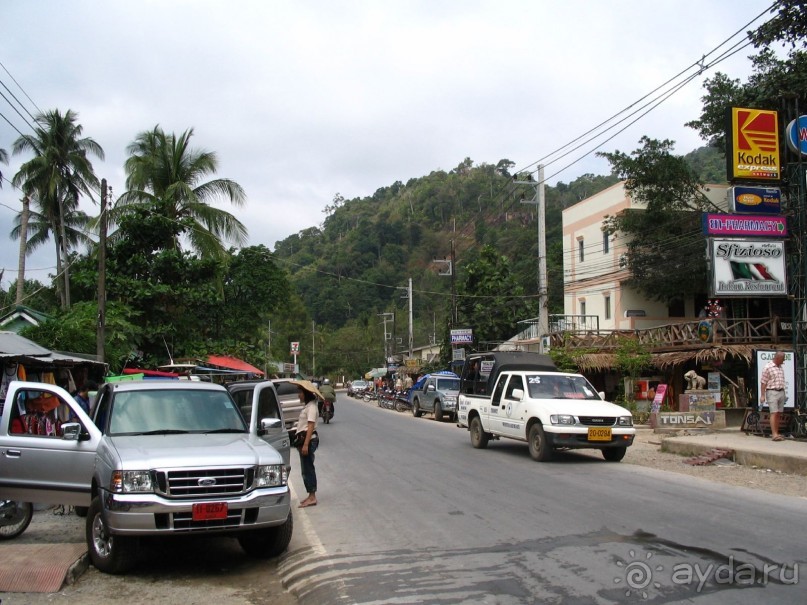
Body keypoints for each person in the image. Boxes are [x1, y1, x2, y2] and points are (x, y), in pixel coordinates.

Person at [291, 380, 321, 507]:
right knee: (306, 468)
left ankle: (312, 496)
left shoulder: (312, 408)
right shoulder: (309, 406)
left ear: (306, 394)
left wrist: (305, 444)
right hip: (305, 441)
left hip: (308, 441)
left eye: (300, 392)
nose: (299, 395)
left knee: (308, 468)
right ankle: (310, 495)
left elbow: (310, 426)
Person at [760, 352, 787, 441]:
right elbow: (763, 382)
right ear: (778, 358)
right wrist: (762, 395)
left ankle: (777, 432)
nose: (783, 361)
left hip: (781, 391)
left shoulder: (780, 367)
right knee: (774, 412)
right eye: (783, 359)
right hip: (772, 391)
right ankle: (774, 434)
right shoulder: (768, 367)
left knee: (779, 413)